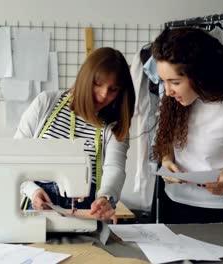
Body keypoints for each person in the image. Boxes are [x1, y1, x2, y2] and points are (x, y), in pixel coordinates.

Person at [151, 28, 223, 224]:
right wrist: (166, 160)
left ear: (200, 74)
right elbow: (167, 141)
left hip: (219, 210)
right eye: (164, 81)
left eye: (174, 82)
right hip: (172, 201)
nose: (168, 90)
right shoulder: (176, 101)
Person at [14, 47, 135, 222]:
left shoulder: (114, 124)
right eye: (98, 84)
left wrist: (105, 197)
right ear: (85, 78)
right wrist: (32, 191)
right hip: (39, 201)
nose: (103, 95)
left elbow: (114, 168)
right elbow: (15, 158)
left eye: (113, 89)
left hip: (88, 208)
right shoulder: (46, 103)